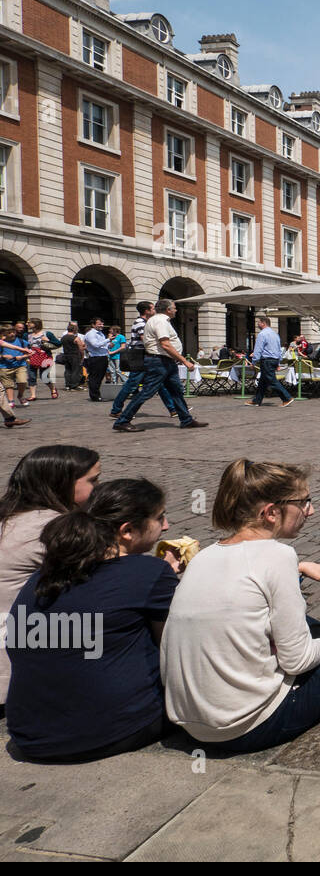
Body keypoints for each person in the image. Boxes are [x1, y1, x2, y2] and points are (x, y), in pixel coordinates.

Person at [161, 460, 320, 752]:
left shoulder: (204, 556)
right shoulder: (277, 555)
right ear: (271, 512)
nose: (310, 510)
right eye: (304, 502)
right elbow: (296, 661)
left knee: (310, 627)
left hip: (190, 721)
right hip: (245, 726)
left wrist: (298, 569)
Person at [5, 479, 180, 761]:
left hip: (29, 735)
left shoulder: (46, 572)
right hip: (106, 733)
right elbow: (173, 649)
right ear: (127, 530)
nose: (167, 525)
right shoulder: (148, 571)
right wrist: (165, 580)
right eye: (159, 517)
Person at [0, 446, 101, 708]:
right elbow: (104, 585)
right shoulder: (54, 528)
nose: (99, 488)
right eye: (93, 480)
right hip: (14, 670)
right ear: (63, 483)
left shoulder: (10, 517)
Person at [112, 300, 208, 432]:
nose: (176, 310)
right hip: (159, 361)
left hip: (166, 361)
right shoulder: (160, 321)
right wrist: (184, 361)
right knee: (147, 392)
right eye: (174, 308)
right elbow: (165, 344)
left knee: (176, 391)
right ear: (168, 309)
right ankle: (122, 420)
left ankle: (186, 419)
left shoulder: (159, 320)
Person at [246, 315, 293, 408]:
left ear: (263, 323)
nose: (257, 324)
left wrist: (253, 362)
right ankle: (257, 400)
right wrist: (278, 362)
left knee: (272, 380)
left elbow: (258, 349)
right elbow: (279, 350)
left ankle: (286, 398)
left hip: (267, 360)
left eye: (258, 322)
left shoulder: (262, 334)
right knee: (263, 382)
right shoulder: (275, 334)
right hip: (274, 359)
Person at [82, 318, 111, 401]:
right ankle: (95, 396)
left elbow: (103, 345)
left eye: (102, 324)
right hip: (96, 358)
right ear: (93, 325)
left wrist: (109, 344)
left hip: (103, 356)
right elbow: (95, 345)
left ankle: (97, 394)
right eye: (99, 324)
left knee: (100, 377)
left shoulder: (101, 333)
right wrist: (108, 340)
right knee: (95, 378)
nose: (102, 325)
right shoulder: (91, 334)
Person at [60, 322, 85, 391]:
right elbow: (81, 349)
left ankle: (67, 385)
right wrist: (82, 356)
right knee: (76, 371)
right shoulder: (76, 338)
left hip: (66, 355)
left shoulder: (63, 338)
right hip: (75, 356)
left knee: (68, 370)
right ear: (75, 330)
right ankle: (74, 385)